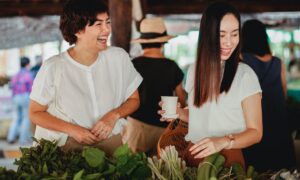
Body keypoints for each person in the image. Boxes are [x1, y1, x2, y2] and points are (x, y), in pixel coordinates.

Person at [29, 0, 143, 156]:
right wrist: (73, 130)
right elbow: (35, 113)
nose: (107, 29)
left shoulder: (119, 58)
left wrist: (113, 115)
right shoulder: (54, 67)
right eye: (98, 24)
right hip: (68, 146)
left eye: (108, 22)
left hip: (112, 143)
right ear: (78, 30)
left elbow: (134, 100)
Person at [159, 2, 262, 167]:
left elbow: (256, 132)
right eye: (221, 35)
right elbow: (202, 118)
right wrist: (179, 113)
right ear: (207, 34)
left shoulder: (245, 75)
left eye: (234, 34)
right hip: (192, 156)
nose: (229, 42)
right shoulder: (195, 70)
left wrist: (223, 142)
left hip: (226, 160)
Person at [122, 17, 186, 155]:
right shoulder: (172, 66)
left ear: (142, 43)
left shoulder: (133, 65)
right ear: (163, 42)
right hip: (165, 127)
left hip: (137, 126)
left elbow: (123, 97)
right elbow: (182, 98)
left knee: (132, 168)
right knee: (161, 170)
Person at [241, 19, 296, 172]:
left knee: (257, 169)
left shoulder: (242, 60)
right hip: (279, 119)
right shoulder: (278, 62)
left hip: (255, 122)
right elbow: (283, 92)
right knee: (281, 170)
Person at [7, 56, 33, 145]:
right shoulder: (29, 75)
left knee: (16, 118)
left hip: (15, 97)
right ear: (28, 64)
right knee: (26, 118)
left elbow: (12, 88)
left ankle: (11, 137)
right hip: (25, 96)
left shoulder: (15, 75)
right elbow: (31, 89)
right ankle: (22, 140)